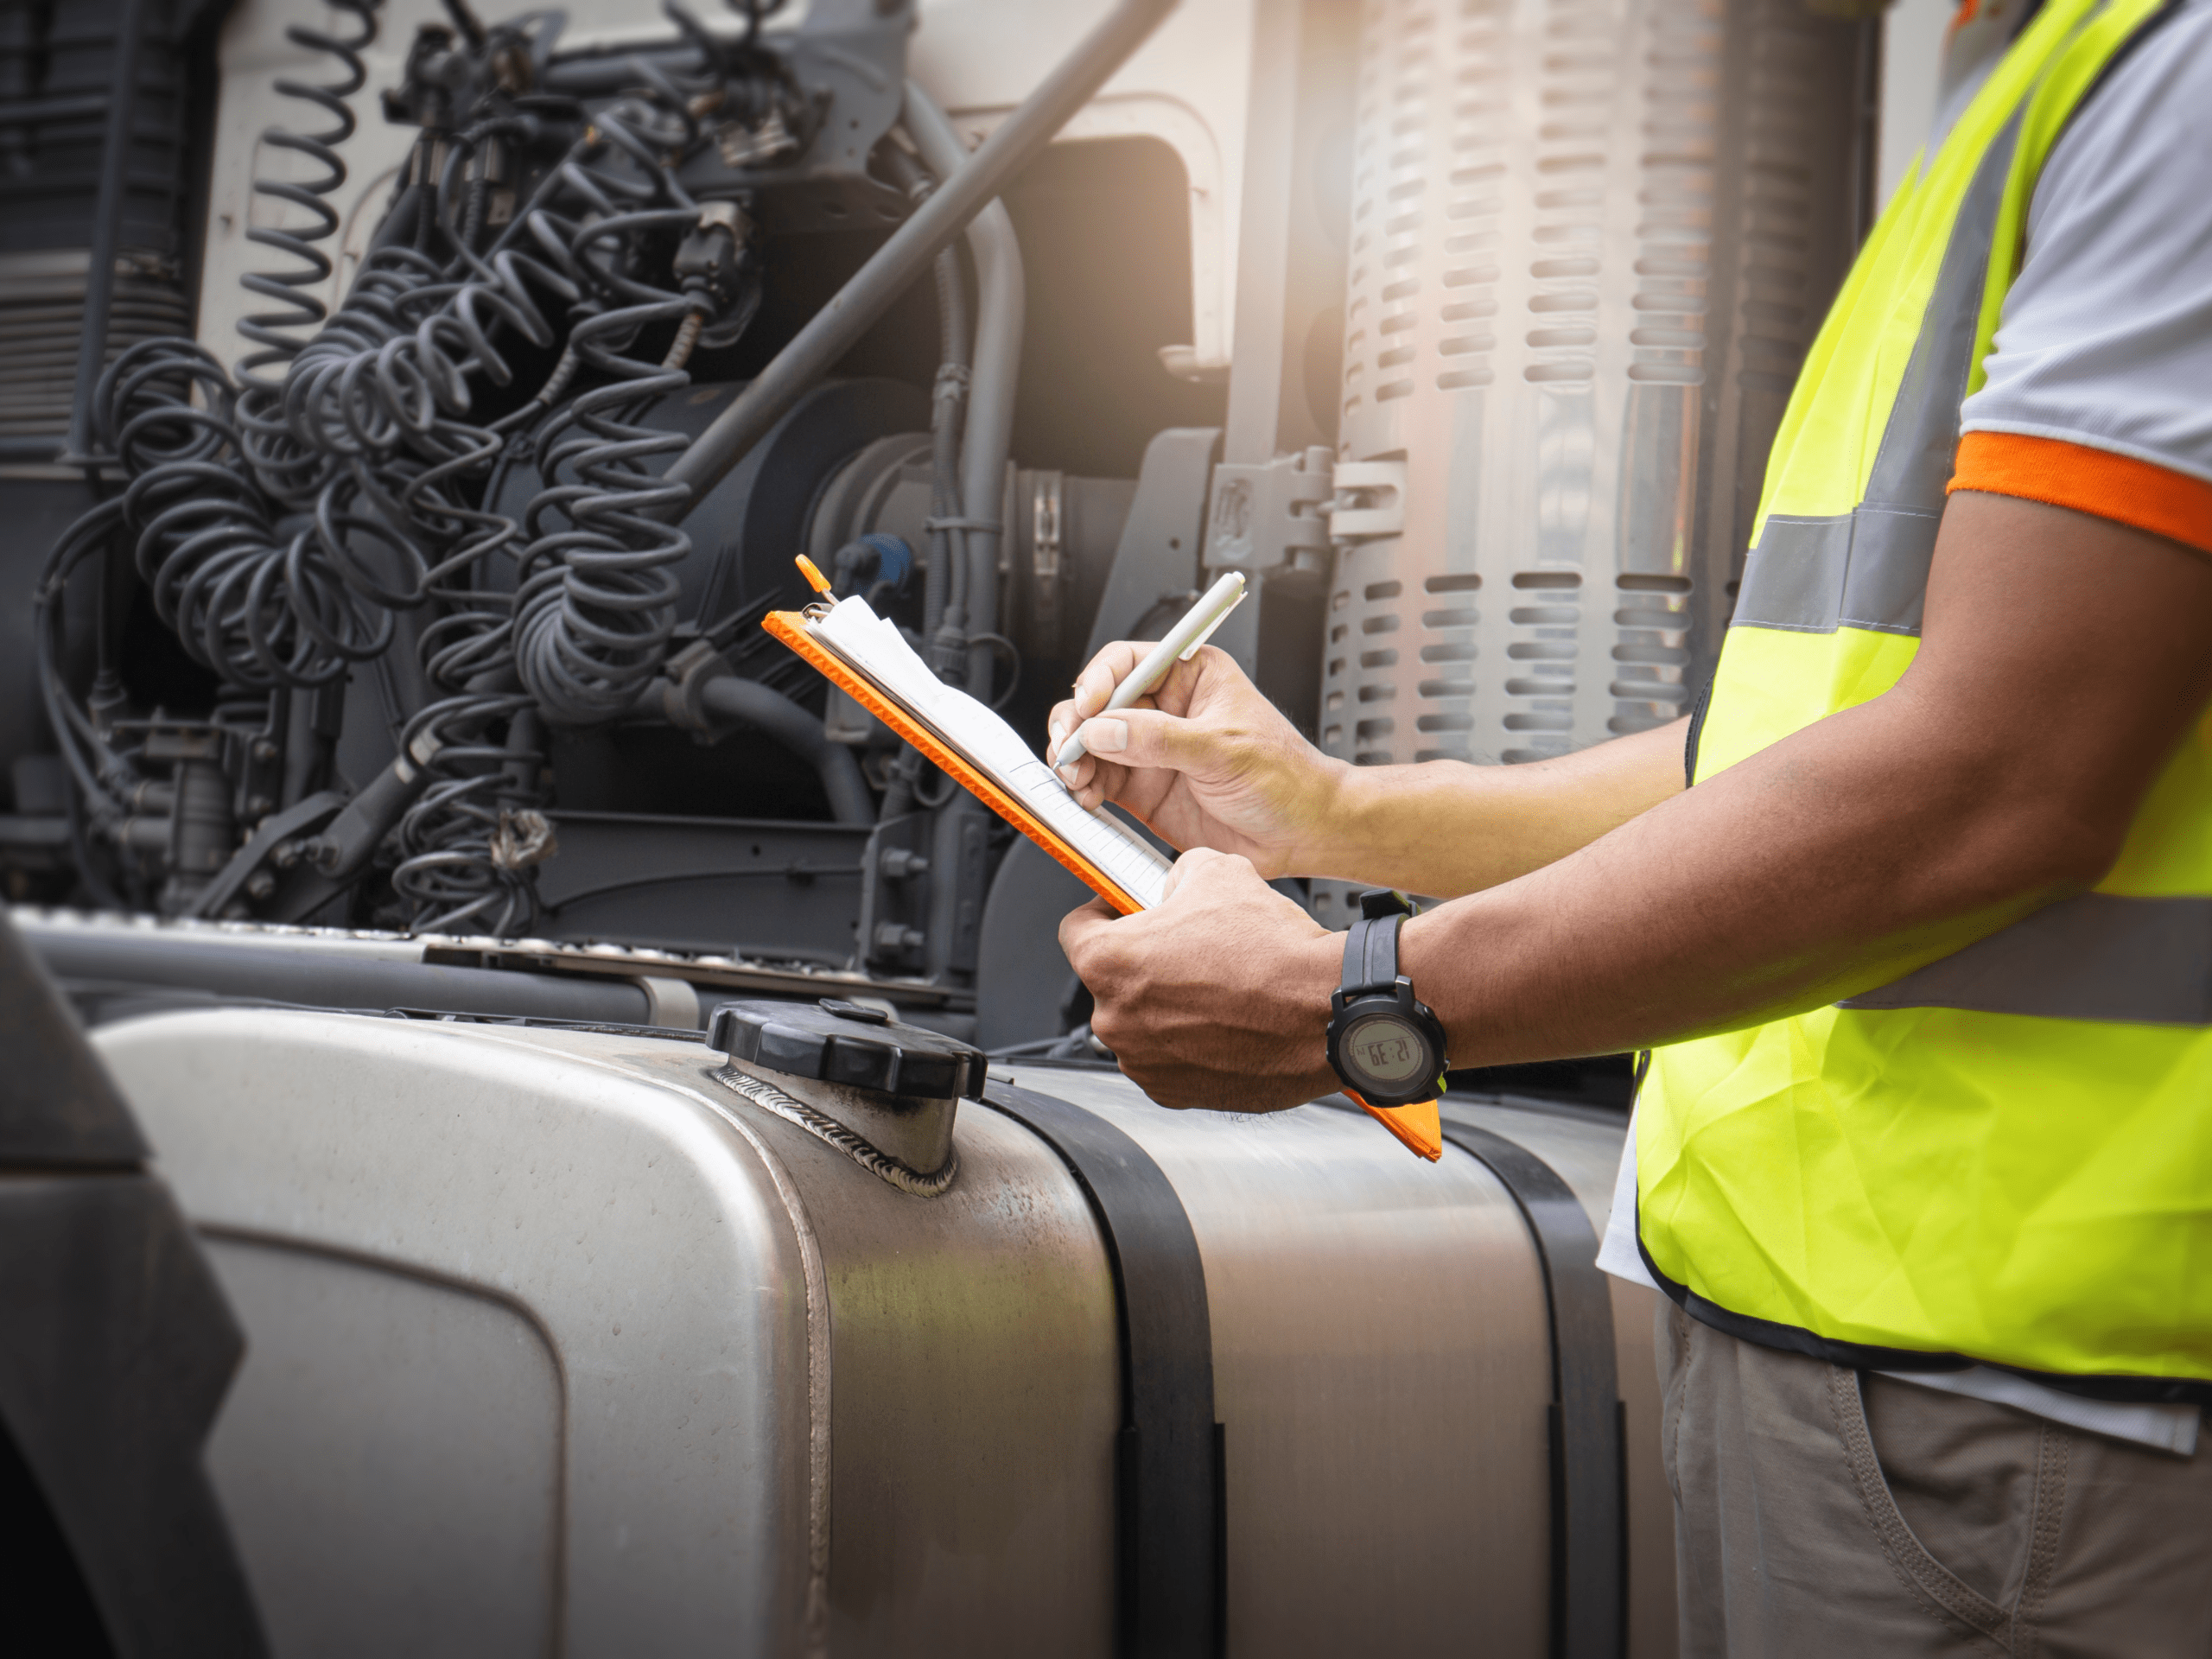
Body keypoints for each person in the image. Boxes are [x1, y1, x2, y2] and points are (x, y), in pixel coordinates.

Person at [1047, 0, 2212, 1650]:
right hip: (1861, 1361)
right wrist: (1327, 811)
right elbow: (1789, 742)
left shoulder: (2172, 77)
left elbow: (2000, 777)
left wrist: (1353, 1007)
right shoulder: (2030, 85)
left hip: (2050, 1410)